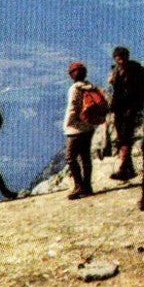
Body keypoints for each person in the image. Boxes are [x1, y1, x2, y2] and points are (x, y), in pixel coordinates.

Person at [108, 47, 144, 182]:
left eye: (122, 56)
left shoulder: (135, 69)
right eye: (118, 56)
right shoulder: (117, 70)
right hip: (119, 108)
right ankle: (129, 169)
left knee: (126, 137)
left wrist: (140, 101)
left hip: (131, 107)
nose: (120, 59)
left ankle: (124, 168)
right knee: (123, 138)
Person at [63, 61, 98, 200]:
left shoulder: (75, 89)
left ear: (73, 75)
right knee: (85, 157)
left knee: (70, 157)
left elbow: (73, 107)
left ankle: (79, 186)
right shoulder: (90, 86)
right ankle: (87, 186)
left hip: (75, 129)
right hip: (89, 127)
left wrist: (68, 123)